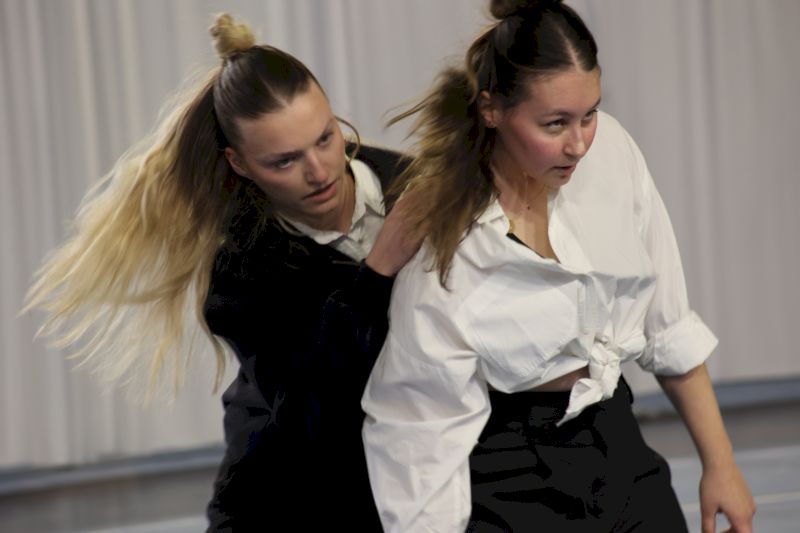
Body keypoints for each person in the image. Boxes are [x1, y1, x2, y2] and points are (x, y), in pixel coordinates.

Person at [361, 1, 756, 531]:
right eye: (555, 124)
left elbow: (667, 324)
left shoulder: (612, 152)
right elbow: (419, 424)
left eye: (589, 114)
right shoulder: (449, 241)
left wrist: (721, 464)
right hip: (511, 474)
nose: (579, 144)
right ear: (491, 110)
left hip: (616, 439)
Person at [24, 13, 420, 532]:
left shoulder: (422, 187)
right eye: (284, 161)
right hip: (286, 499)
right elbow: (319, 409)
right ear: (239, 163)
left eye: (325, 138)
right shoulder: (240, 270)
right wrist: (380, 269)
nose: (320, 171)